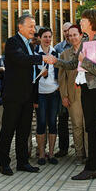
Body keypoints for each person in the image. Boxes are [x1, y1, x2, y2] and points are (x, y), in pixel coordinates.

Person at [54, 9, 96, 180]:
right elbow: (72, 64)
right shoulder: (86, 39)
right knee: (91, 127)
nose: (81, 22)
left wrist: (82, 60)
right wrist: (56, 61)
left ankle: (91, 167)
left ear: (92, 21)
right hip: (85, 87)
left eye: (83, 20)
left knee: (92, 127)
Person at [0, 14, 55, 176]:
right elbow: (21, 59)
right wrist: (42, 58)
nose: (33, 29)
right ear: (20, 27)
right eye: (30, 26)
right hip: (14, 95)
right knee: (8, 130)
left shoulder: (30, 45)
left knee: (24, 130)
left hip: (27, 95)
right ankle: (4, 163)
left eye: (34, 26)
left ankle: (22, 162)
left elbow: (28, 67)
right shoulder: (12, 42)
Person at [58, 25, 87, 165]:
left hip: (88, 93)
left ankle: (91, 154)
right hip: (73, 94)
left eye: (75, 34)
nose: (73, 37)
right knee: (76, 125)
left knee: (89, 125)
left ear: (81, 35)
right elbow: (61, 78)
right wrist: (64, 95)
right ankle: (80, 155)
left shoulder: (89, 50)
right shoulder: (65, 54)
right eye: (70, 35)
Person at [34, 27, 61, 165]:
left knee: (52, 123)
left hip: (54, 92)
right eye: (45, 36)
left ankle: (51, 153)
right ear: (39, 38)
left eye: (50, 36)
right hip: (40, 94)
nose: (48, 39)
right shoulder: (35, 53)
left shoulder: (55, 53)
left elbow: (60, 73)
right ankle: (41, 154)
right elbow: (31, 77)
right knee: (41, 123)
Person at [54, 21, 73, 158]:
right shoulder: (58, 48)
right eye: (65, 31)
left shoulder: (80, 46)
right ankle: (63, 148)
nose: (67, 34)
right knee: (62, 120)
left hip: (77, 88)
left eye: (69, 31)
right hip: (63, 89)